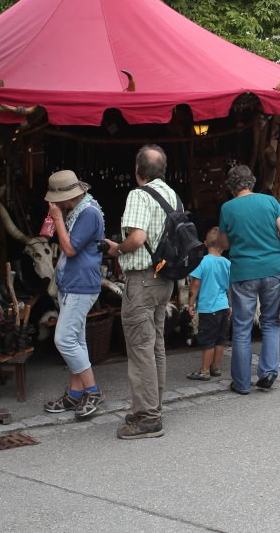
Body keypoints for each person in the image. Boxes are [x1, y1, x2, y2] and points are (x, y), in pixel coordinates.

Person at [104, 145, 178, 440]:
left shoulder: (138, 195)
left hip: (142, 279)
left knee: (140, 348)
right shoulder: (173, 195)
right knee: (155, 344)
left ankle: (148, 418)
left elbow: (137, 237)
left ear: (138, 171)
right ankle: (153, 406)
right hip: (164, 279)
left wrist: (118, 248)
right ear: (163, 170)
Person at [218, 165, 280, 394]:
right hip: (272, 269)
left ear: (231, 188)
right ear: (251, 182)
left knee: (242, 327)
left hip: (243, 272)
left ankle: (241, 384)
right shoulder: (269, 202)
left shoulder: (227, 208)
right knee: (271, 322)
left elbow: (224, 244)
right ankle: (269, 372)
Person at [42, 170, 105, 419]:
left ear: (66, 197)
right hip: (73, 284)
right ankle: (75, 394)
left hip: (81, 284)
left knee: (64, 340)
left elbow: (69, 249)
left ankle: (93, 391)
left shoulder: (88, 214)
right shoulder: (81, 211)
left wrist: (57, 218)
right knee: (76, 342)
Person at [185, 228, 231, 381]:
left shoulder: (202, 262)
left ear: (205, 244)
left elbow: (195, 284)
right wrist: (230, 305)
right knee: (220, 339)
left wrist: (190, 303)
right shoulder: (227, 263)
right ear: (223, 246)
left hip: (209, 308)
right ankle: (216, 368)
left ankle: (204, 371)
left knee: (208, 341)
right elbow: (230, 286)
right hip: (223, 307)